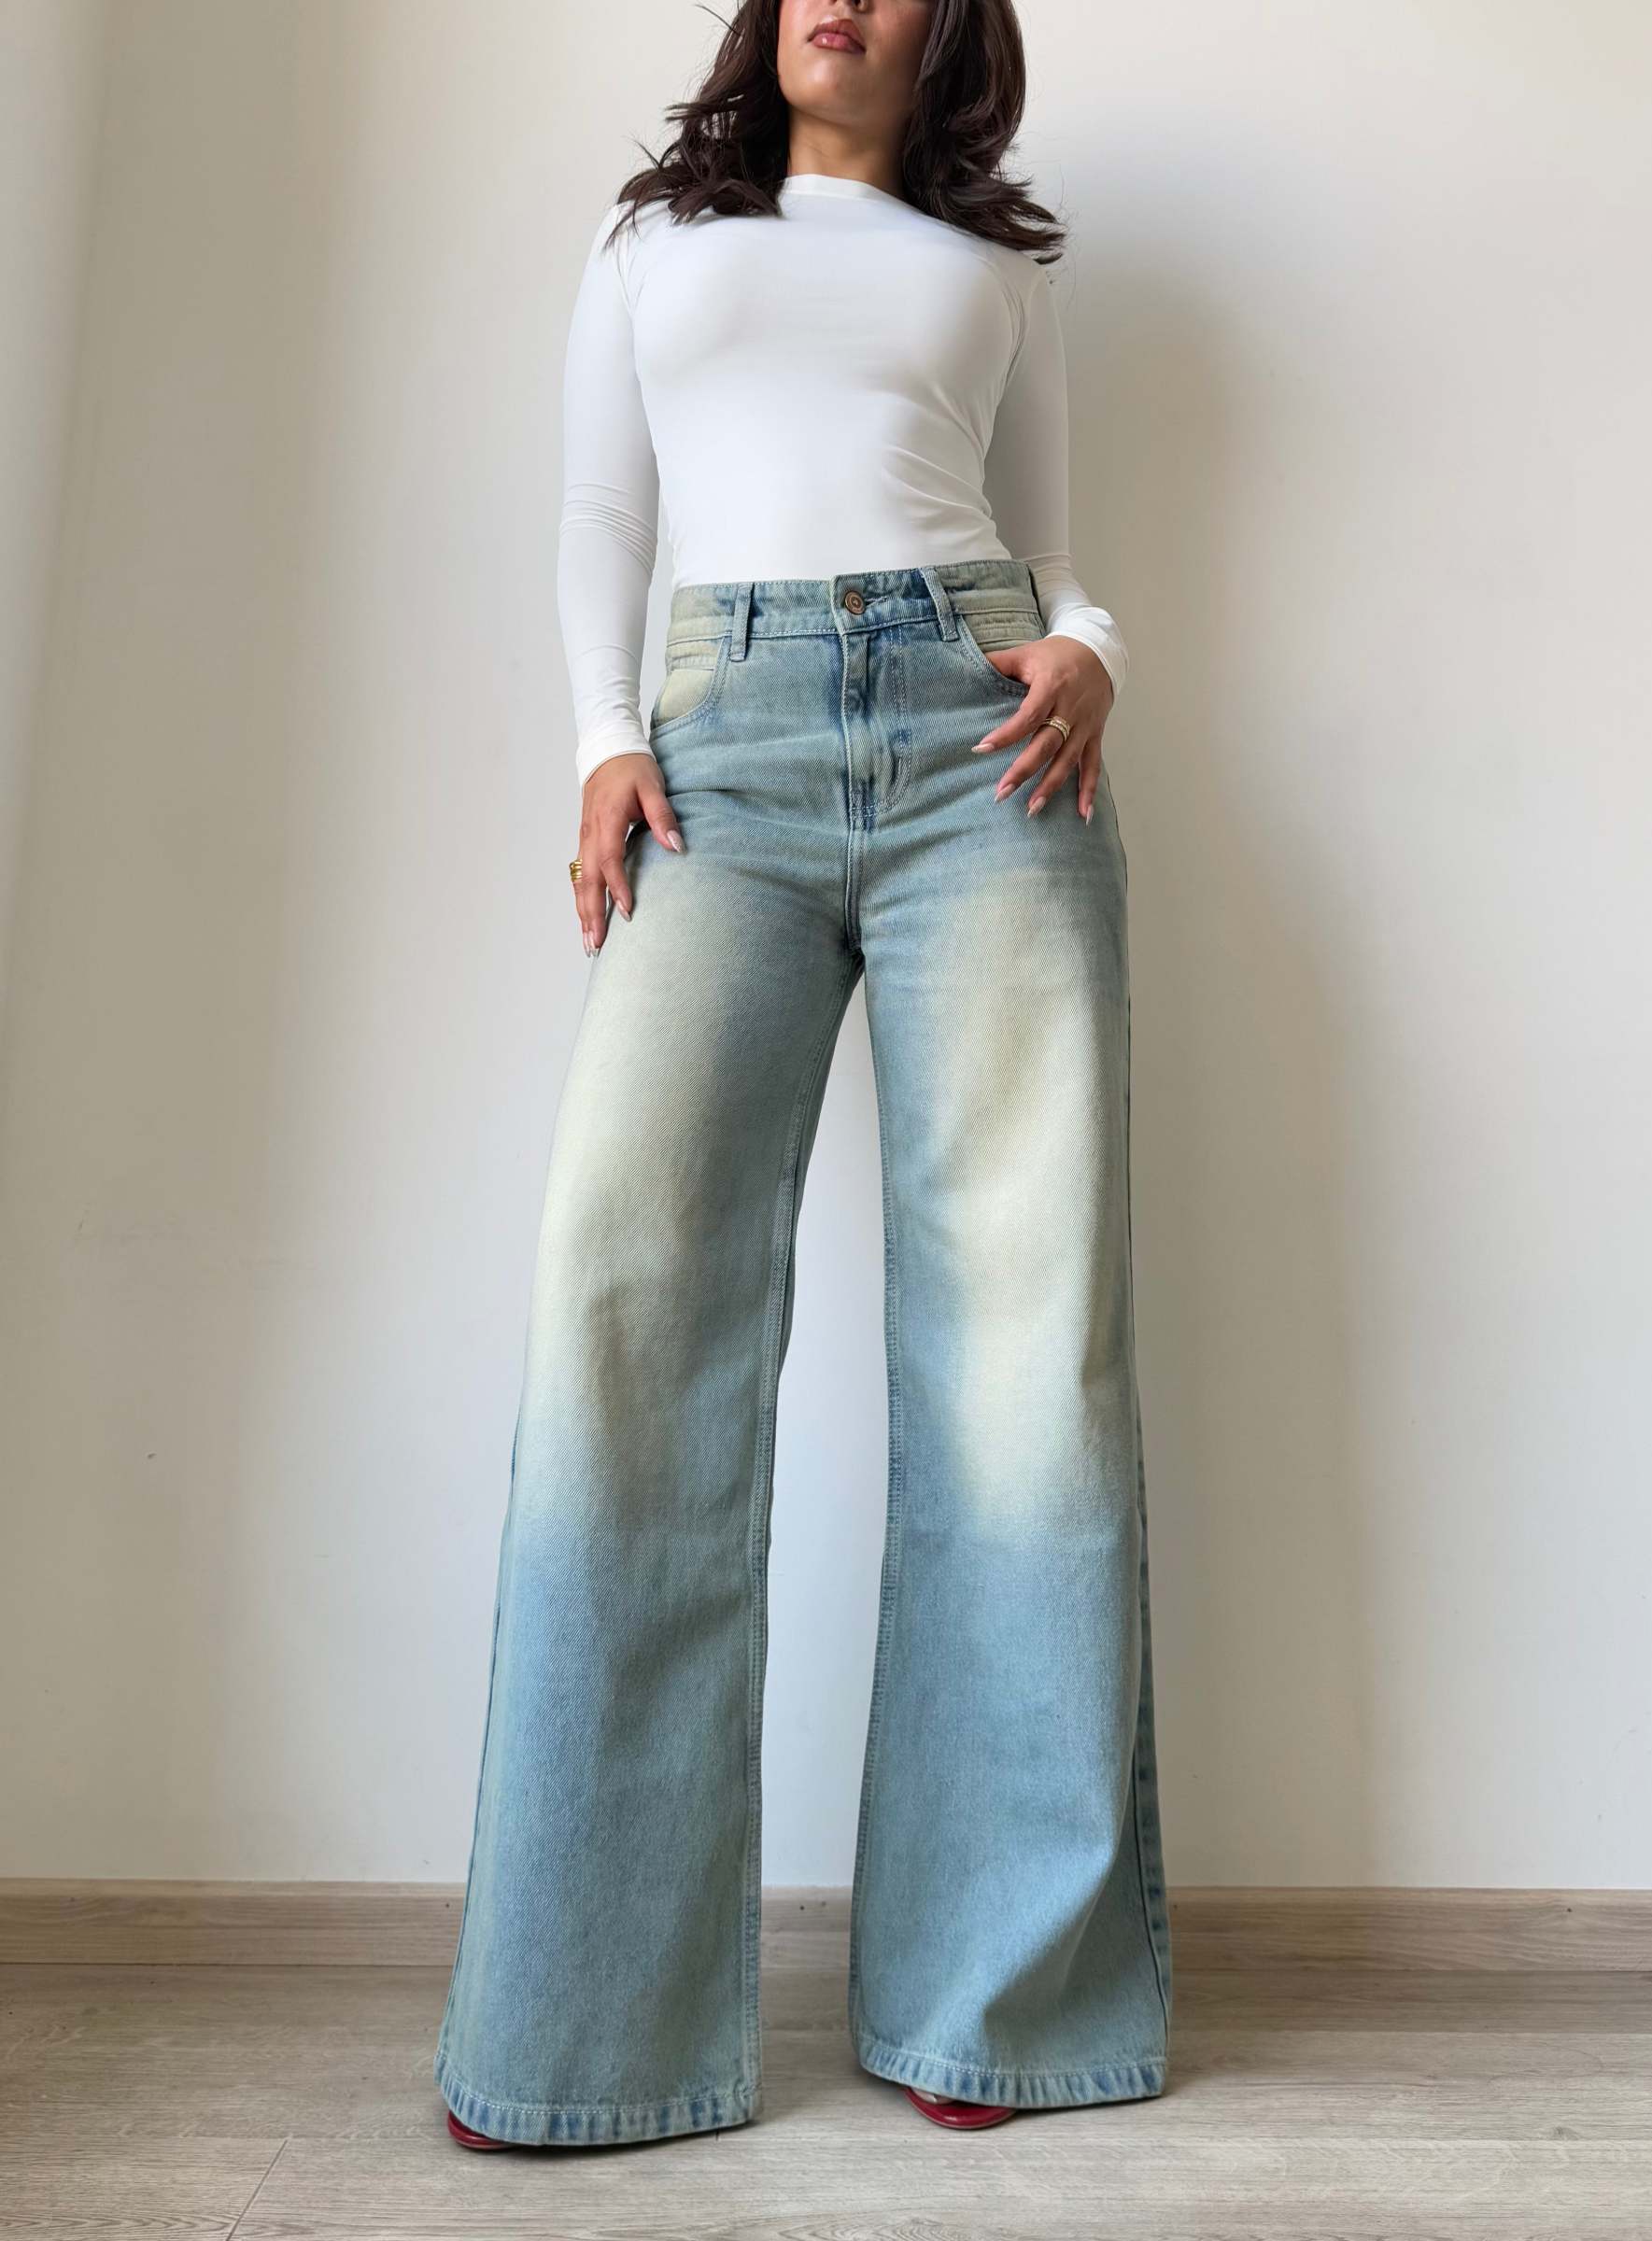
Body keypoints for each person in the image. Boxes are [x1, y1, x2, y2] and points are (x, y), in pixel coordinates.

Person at [433, 0, 1171, 2149]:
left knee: (1024, 1358)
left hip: (985, 755)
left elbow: (1052, 554)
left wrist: (1094, 649)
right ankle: (578, 2032)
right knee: (625, 1319)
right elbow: (602, 510)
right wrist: (603, 739)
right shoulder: (653, 236)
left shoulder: (998, 263)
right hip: (719, 759)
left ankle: (1000, 2004)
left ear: (952, 35)